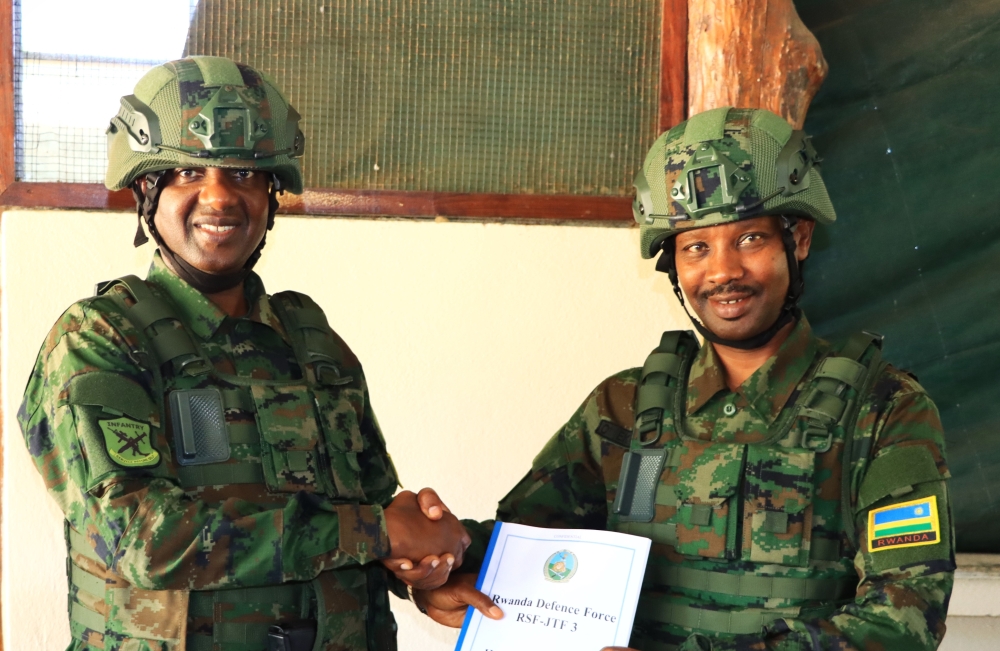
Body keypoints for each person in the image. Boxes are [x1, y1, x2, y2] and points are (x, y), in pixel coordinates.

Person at [409, 107, 955, 650]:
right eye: (696, 247)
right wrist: (443, 559)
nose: (722, 272)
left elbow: (905, 618)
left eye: (749, 240)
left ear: (800, 238)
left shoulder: (884, 409)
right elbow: (532, 551)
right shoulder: (624, 405)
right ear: (674, 264)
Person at [17, 56, 467, 651]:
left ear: (272, 194)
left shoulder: (311, 341)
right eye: (185, 173)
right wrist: (379, 533)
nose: (219, 197)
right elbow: (143, 539)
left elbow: (375, 504)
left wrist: (425, 566)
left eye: (244, 174)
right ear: (145, 190)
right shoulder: (101, 340)